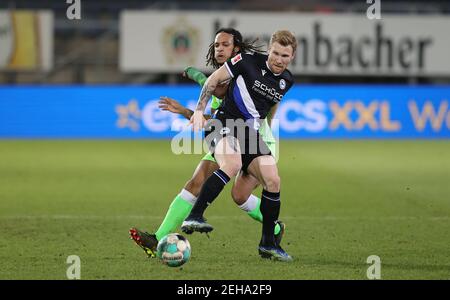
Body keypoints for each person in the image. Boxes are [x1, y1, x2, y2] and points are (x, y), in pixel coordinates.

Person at [129, 28, 284, 257]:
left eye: (225, 45)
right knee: (203, 184)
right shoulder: (226, 78)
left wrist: (197, 76)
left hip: (254, 140)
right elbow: (215, 117)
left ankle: (273, 229)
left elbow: (221, 91)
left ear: (237, 49)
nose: (219, 49)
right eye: (216, 45)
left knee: (237, 191)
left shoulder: (244, 75)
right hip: (230, 134)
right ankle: (157, 239)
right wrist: (186, 111)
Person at [181, 30, 297, 262]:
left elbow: (272, 104)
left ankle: (267, 244)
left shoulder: (287, 81)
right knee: (231, 163)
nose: (278, 60)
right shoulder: (246, 61)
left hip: (250, 134)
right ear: (269, 49)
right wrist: (197, 110)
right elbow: (213, 80)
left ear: (291, 57)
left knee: (273, 179)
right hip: (223, 122)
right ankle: (194, 216)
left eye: (285, 56)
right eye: (275, 53)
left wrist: (269, 128)